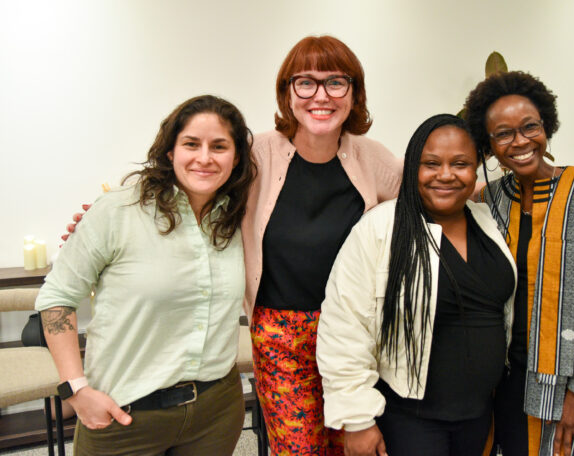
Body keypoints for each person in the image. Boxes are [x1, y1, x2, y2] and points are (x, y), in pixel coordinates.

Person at [36, 95, 256, 456]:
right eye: (191, 144)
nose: (204, 157)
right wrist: (75, 389)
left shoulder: (237, 219)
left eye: (219, 146)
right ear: (171, 152)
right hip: (125, 414)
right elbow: (57, 296)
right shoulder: (119, 210)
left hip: (216, 411)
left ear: (236, 158)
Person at [317, 114, 517, 456]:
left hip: (479, 413)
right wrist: (358, 420)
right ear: (412, 168)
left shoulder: (486, 223)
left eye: (460, 164)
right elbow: (344, 327)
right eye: (431, 163)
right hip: (413, 420)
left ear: (476, 168)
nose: (446, 174)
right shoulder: (380, 228)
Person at [242, 35, 403, 455]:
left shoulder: (372, 157)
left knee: (357, 444)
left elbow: (433, 193)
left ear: (353, 94)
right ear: (287, 93)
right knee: (299, 450)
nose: (321, 95)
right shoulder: (256, 154)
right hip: (279, 334)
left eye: (336, 82)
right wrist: (111, 212)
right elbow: (192, 186)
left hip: (354, 332)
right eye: (306, 83)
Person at [464, 71, 574, 456]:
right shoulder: (490, 198)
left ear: (546, 127)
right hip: (506, 378)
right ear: (488, 146)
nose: (519, 141)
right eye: (503, 134)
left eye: (529, 127)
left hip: (572, 380)